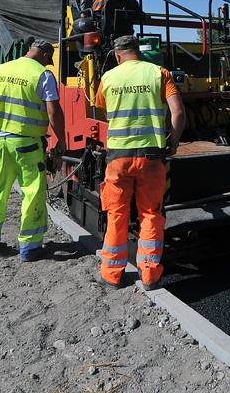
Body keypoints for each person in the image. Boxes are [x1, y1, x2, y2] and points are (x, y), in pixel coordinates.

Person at [94, 35, 185, 291]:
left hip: (118, 159)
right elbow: (178, 112)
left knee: (116, 213)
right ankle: (150, 276)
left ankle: (112, 275)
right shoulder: (159, 73)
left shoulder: (109, 77)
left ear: (117, 55)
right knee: (151, 215)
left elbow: (101, 107)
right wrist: (173, 142)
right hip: (151, 157)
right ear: (139, 52)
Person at [0, 39, 66, 262]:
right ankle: (30, 247)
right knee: (32, 192)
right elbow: (53, 112)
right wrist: (61, 140)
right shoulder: (42, 74)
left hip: (0, 141)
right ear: (45, 55)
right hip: (26, 143)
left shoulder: (2, 69)